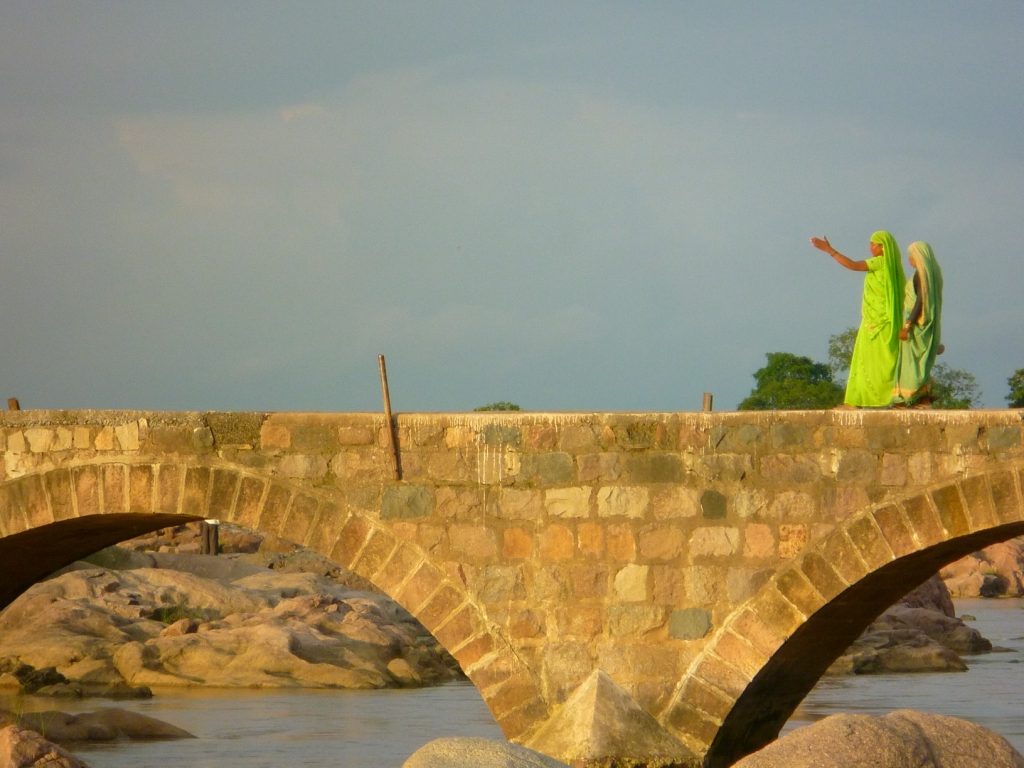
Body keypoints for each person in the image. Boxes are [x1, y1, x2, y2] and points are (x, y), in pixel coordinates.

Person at [809, 231, 905, 407]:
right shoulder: (896, 268)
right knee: (885, 361)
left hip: (876, 323)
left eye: (874, 244)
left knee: (867, 362)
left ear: (883, 247)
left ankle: (862, 399)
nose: (871, 247)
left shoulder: (879, 262)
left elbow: (853, 265)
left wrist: (830, 250)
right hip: (886, 321)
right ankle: (890, 396)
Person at [892, 241, 943, 407]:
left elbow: (920, 301)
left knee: (911, 363)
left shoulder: (920, 275)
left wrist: (907, 325)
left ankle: (909, 397)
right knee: (923, 363)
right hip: (929, 323)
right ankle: (922, 396)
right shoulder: (934, 275)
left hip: (915, 324)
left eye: (912, 256)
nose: (909, 260)